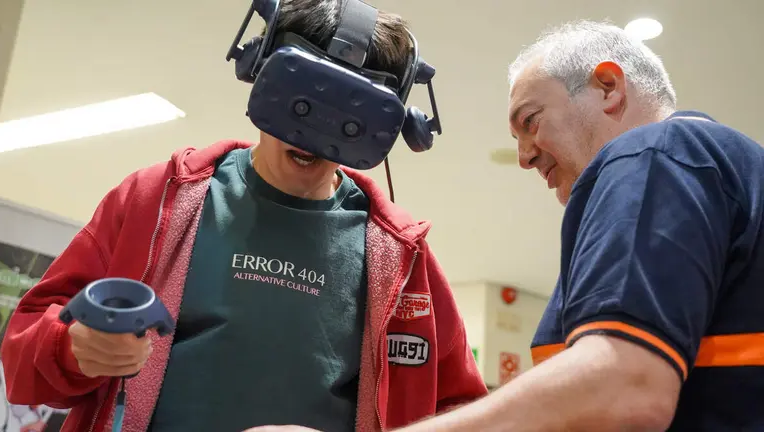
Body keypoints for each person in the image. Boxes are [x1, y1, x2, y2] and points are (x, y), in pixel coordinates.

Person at [249, 19, 764, 432]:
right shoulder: (727, 173)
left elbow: (622, 388)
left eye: (530, 120)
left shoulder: (656, 151)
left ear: (607, 87)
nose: (522, 157)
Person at [0, 1, 487, 431]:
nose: (313, 131)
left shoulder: (402, 259)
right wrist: (71, 349)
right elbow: (21, 355)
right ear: (259, 70)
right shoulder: (156, 201)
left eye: (346, 118)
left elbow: (466, 411)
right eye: (304, 100)